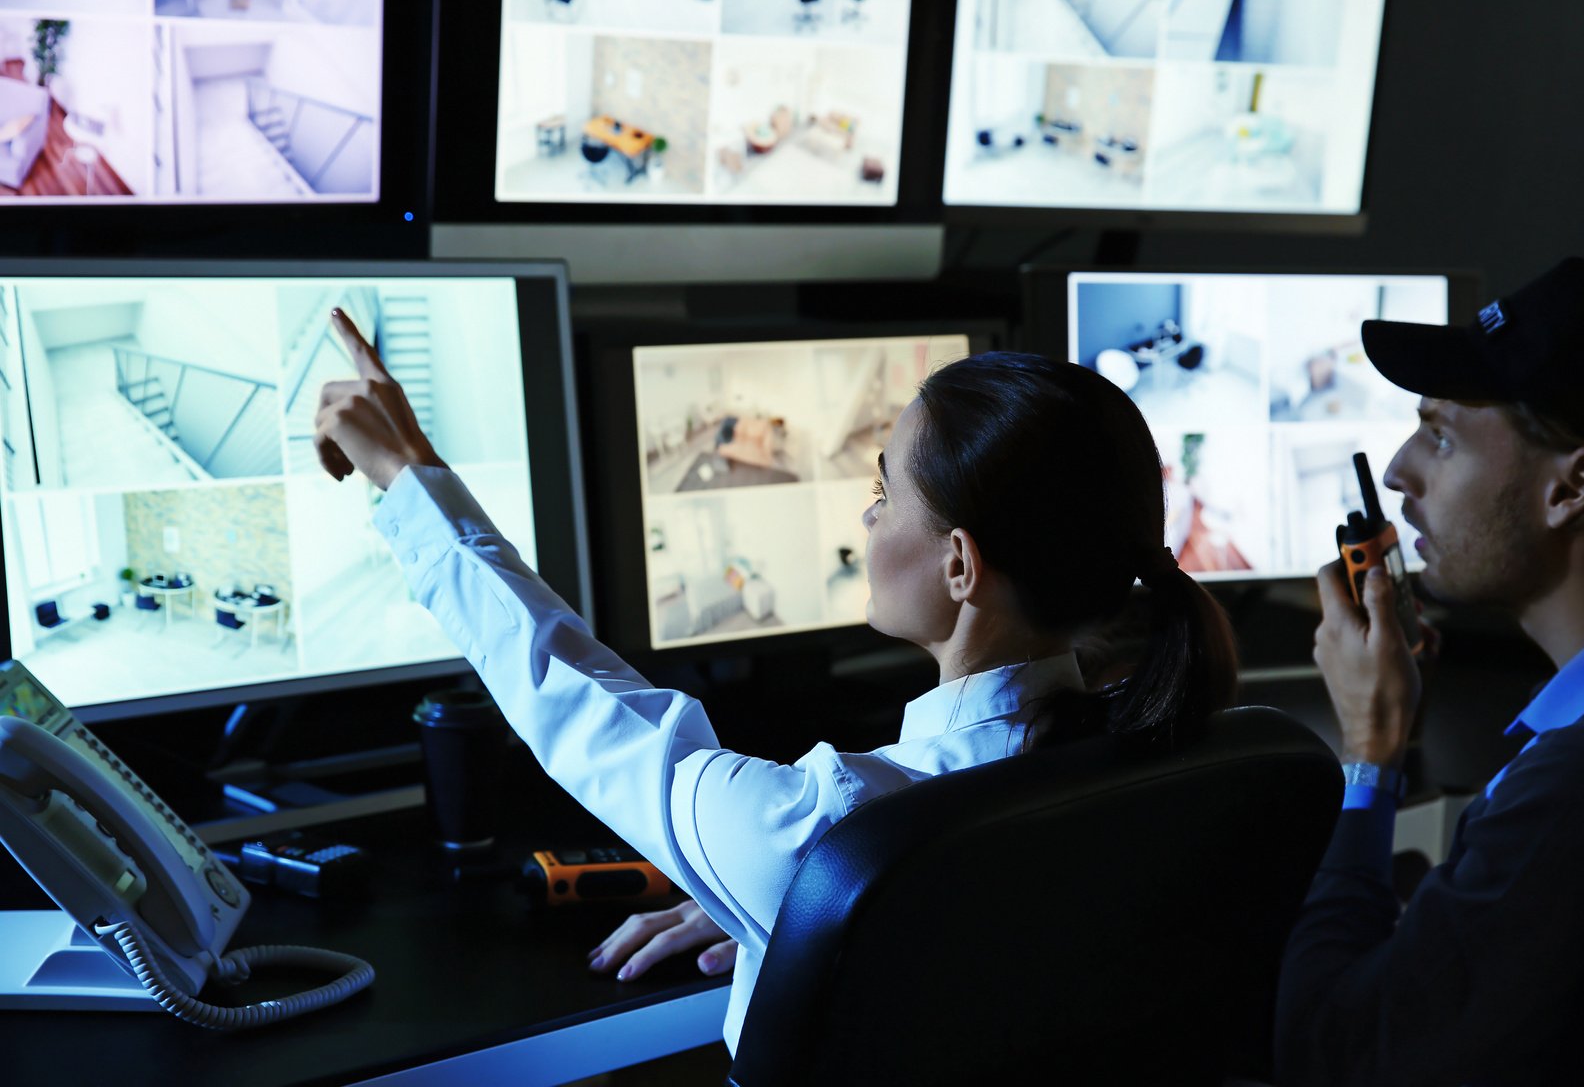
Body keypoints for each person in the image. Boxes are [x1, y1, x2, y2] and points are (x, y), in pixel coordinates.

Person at [313, 320, 1237, 1052]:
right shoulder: (1176, 765)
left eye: (885, 490)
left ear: (960, 565)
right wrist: (775, 911)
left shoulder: (831, 833)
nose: (868, 516)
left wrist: (405, 475)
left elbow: (573, 700)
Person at [1277, 257, 1584, 1086]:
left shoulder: (1582, 781)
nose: (1400, 472)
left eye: (1441, 435)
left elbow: (1331, 1054)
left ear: (1574, 487)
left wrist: (1370, 752)